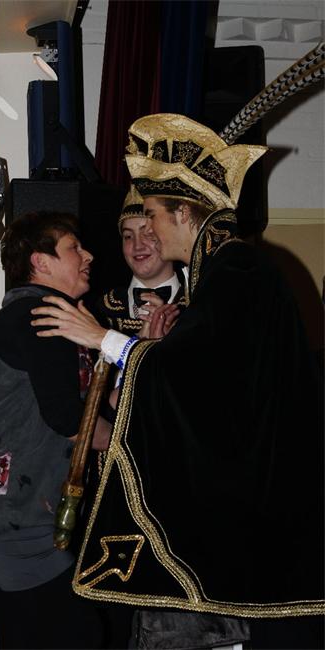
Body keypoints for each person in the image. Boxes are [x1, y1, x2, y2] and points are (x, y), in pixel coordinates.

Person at [30, 114, 324, 649]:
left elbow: (194, 381)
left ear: (185, 213)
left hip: (271, 509)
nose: (148, 229)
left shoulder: (238, 272)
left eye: (153, 214)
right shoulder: (231, 271)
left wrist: (104, 339)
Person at [0, 212, 111, 650]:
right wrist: (138, 441)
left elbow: (70, 409)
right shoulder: (41, 316)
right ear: (40, 261)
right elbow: (71, 423)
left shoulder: (24, 316)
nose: (88, 255)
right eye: (74, 248)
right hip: (11, 512)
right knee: (77, 636)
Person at [96, 185, 186, 338]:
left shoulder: (198, 305)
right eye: (128, 236)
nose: (138, 246)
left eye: (148, 233)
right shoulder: (102, 308)